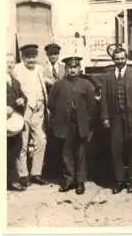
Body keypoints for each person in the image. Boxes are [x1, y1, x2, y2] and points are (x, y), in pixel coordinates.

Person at [100, 47, 132, 194]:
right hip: (115, 120)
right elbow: (104, 101)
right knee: (116, 150)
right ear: (113, 60)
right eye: (117, 59)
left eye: (122, 58)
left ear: (126, 58)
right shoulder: (108, 77)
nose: (120, 61)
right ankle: (119, 181)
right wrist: (105, 117)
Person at [48, 56, 97, 195]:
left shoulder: (86, 84)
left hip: (80, 124)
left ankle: (80, 182)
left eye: (75, 67)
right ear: (66, 69)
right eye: (70, 67)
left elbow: (92, 106)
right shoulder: (59, 84)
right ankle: (69, 180)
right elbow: (51, 103)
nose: (72, 70)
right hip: (64, 125)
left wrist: (87, 120)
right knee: (66, 153)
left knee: (80, 153)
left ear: (79, 68)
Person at [12, 44, 49, 187]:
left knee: (41, 141)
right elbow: (14, 90)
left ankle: (36, 173)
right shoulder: (17, 70)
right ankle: (23, 175)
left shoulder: (39, 69)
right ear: (23, 57)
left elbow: (44, 84)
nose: (31, 60)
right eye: (28, 57)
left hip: (39, 110)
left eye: (33, 57)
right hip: (24, 110)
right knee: (23, 143)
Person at [42, 43, 66, 180]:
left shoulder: (63, 68)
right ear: (47, 55)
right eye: (51, 54)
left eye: (55, 54)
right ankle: (51, 169)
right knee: (50, 136)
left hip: (62, 107)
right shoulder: (42, 69)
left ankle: (63, 168)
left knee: (61, 136)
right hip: (48, 107)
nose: (53, 57)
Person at [6, 53, 27, 191]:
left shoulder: (15, 81)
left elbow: (22, 95)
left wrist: (22, 100)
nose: (10, 64)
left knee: (15, 148)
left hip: (14, 122)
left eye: (12, 62)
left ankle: (11, 179)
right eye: (7, 62)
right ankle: (9, 180)